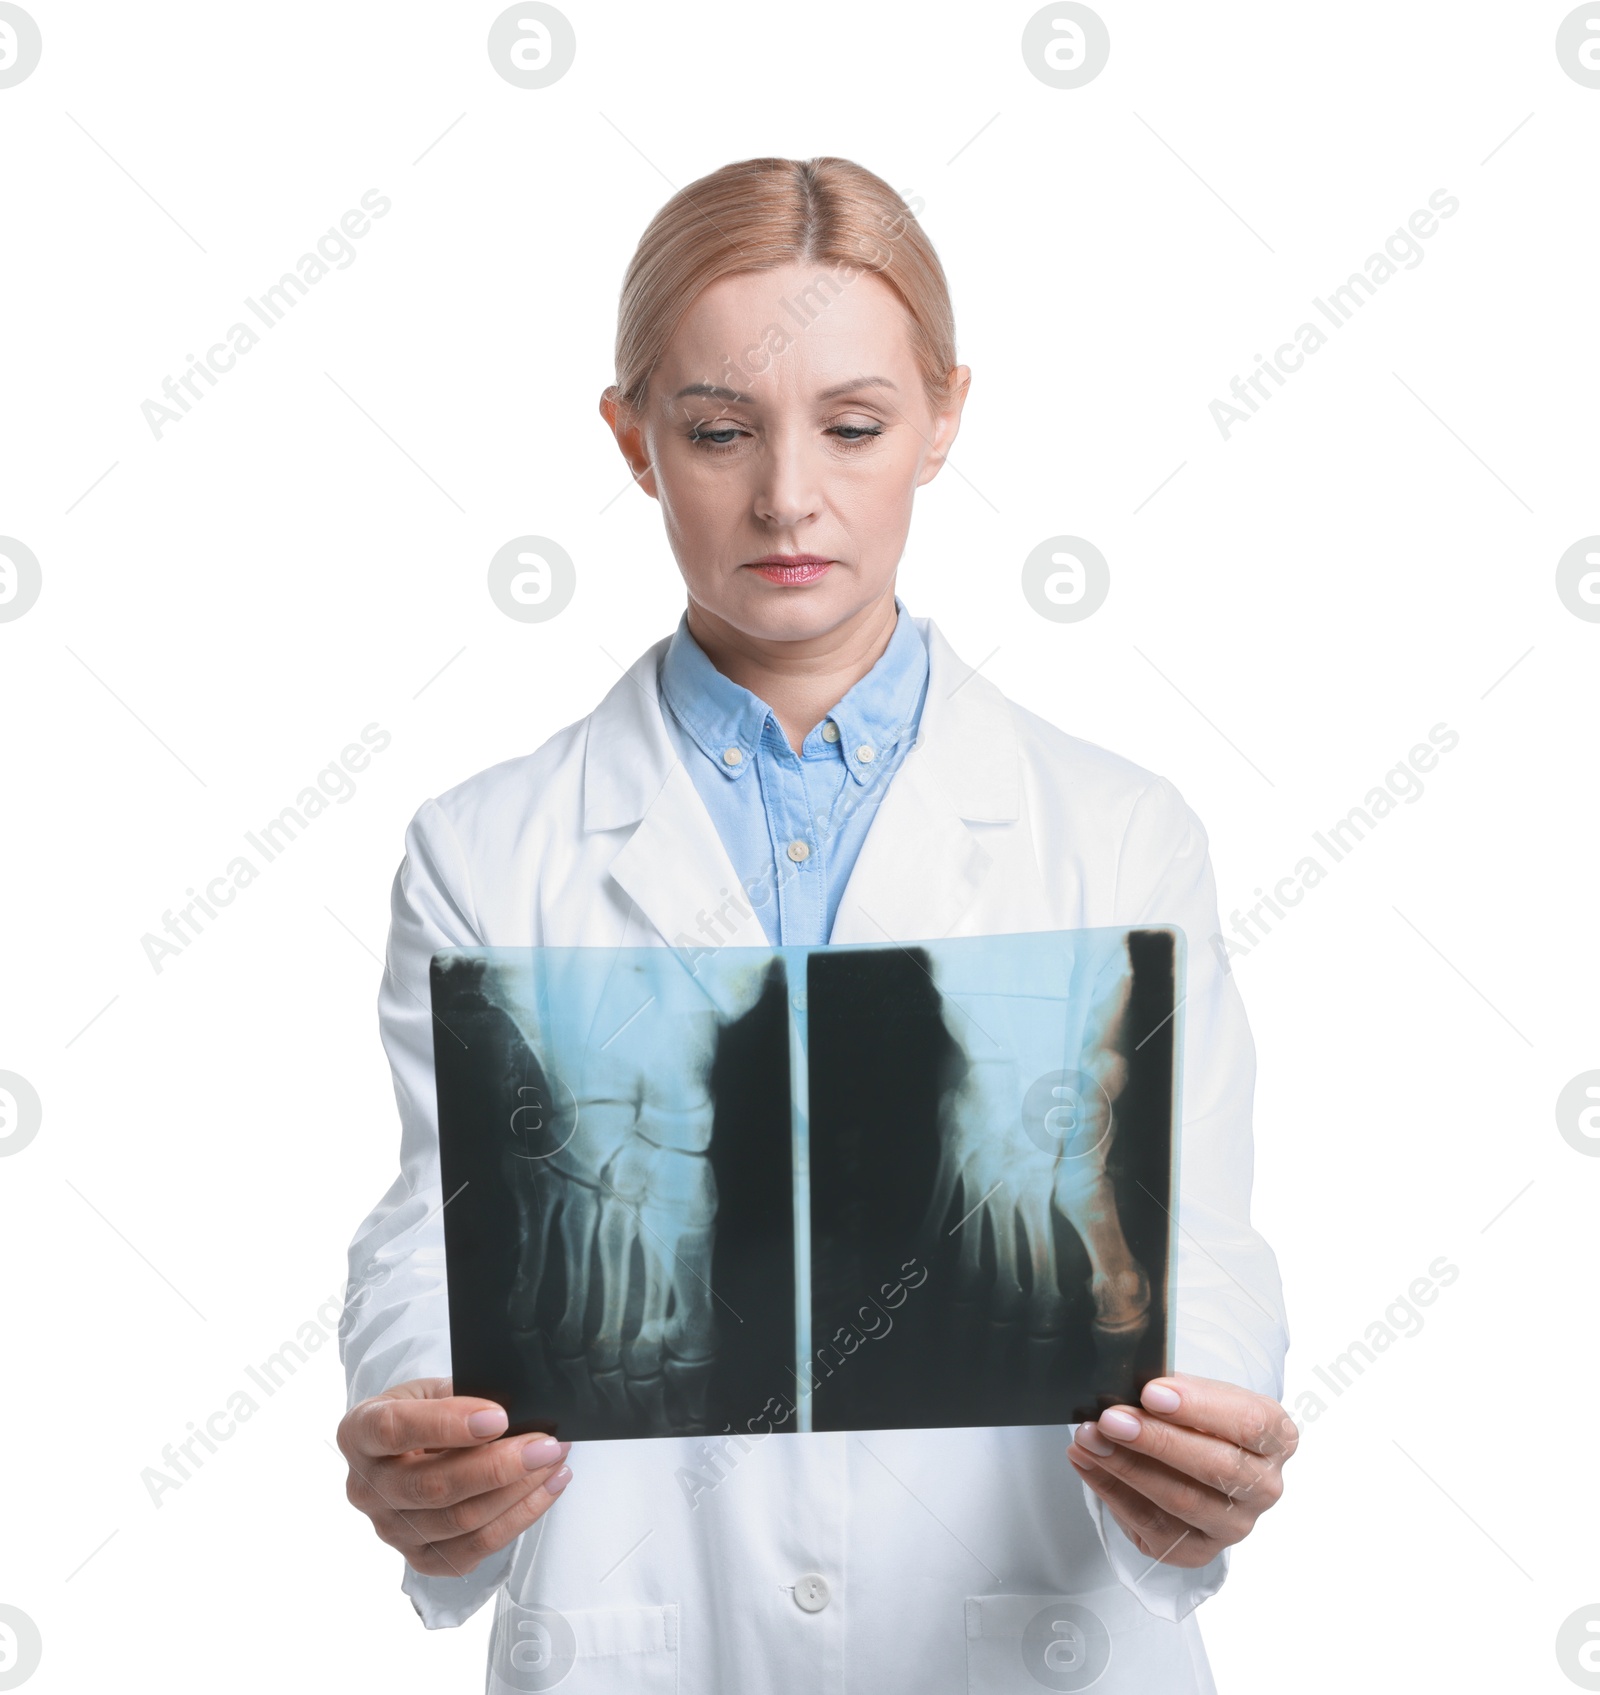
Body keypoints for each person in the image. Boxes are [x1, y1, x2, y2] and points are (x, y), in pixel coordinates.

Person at [336, 155, 1293, 1694]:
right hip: (646, 1632)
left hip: (1024, 1636)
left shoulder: (1117, 835)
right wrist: (422, 1432)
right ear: (632, 438)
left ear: (945, 416)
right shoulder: (485, 851)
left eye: (855, 426)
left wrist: (1207, 1443)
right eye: (719, 431)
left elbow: (1197, 1240)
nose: (789, 495)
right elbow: (434, 1230)